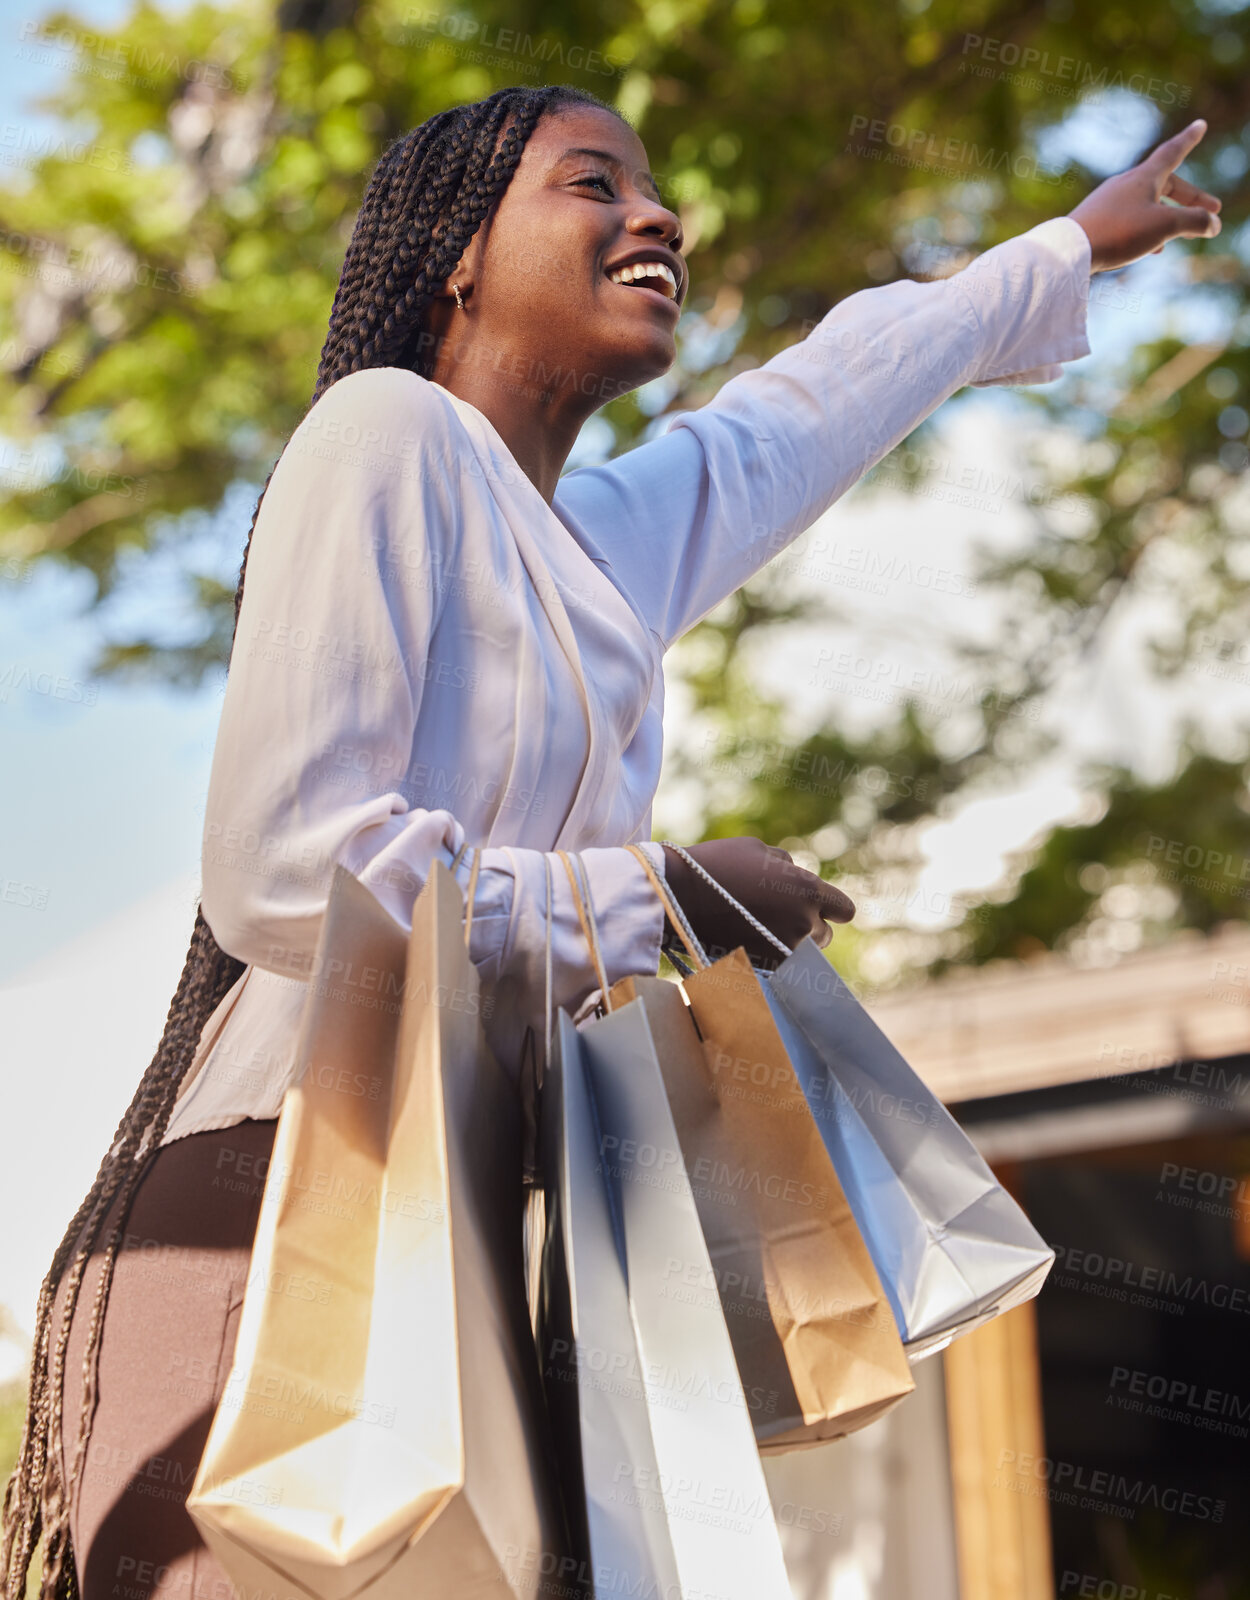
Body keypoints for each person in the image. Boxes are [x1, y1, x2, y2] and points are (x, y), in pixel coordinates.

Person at [1, 79, 1220, 1600]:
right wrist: (655, 897)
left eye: (653, 191)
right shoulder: (385, 436)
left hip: (488, 1235)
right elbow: (283, 864)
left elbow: (808, 406)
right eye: (592, 184)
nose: (658, 217)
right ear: (457, 253)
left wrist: (1063, 248)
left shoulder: (596, 547)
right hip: (274, 1225)